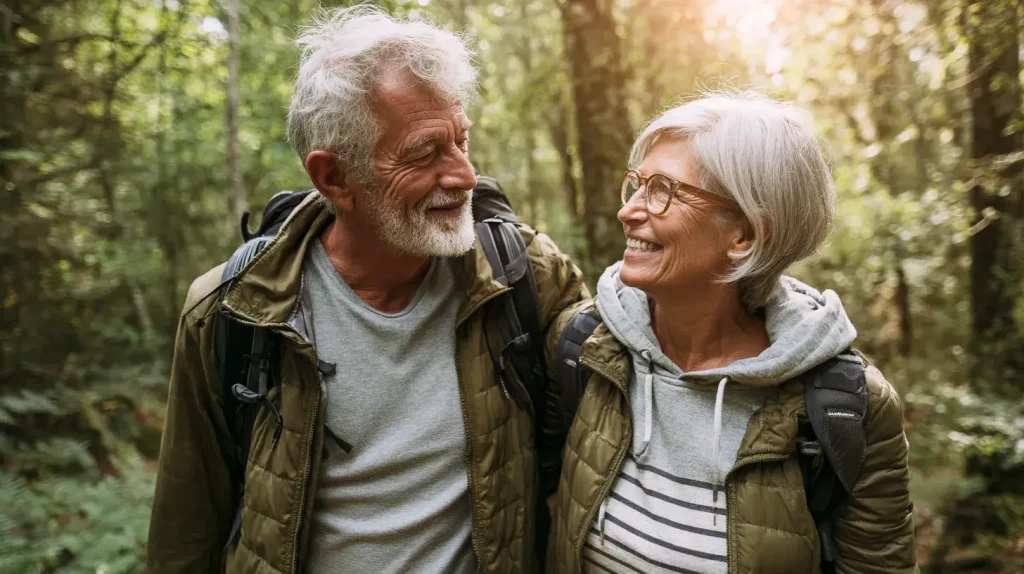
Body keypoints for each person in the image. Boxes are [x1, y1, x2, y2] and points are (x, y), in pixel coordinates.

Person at [146, 7, 587, 573]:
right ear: (334, 178)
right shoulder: (232, 311)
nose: (464, 175)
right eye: (425, 152)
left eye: (462, 141)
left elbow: (629, 360)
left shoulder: (522, 274)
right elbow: (185, 535)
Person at [544, 93, 917, 573]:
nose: (628, 211)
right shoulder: (585, 347)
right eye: (636, 185)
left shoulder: (848, 407)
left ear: (745, 235)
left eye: (663, 190)